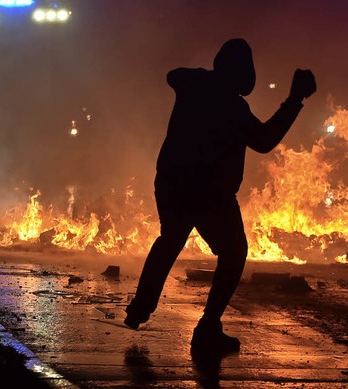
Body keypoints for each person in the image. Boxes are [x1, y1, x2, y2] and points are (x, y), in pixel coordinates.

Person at [125, 38, 316, 356]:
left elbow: (174, 75)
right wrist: (294, 100)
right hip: (209, 191)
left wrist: (206, 77)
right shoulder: (232, 107)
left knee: (170, 239)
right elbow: (265, 140)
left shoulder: (193, 84)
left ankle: (140, 308)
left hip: (172, 181)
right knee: (234, 251)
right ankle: (207, 327)